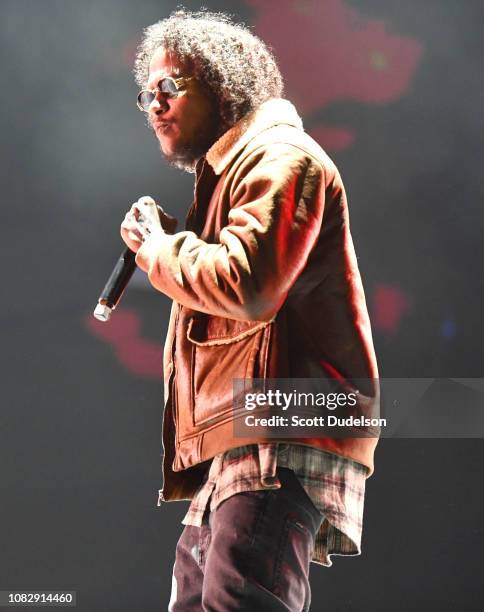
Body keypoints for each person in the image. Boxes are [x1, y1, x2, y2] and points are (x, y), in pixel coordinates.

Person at [120, 9, 379, 612]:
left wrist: (159, 249)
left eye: (169, 87)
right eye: (146, 94)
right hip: (241, 431)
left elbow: (246, 283)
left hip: (277, 423)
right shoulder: (232, 176)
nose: (154, 105)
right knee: (197, 596)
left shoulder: (281, 158)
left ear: (222, 83)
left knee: (240, 597)